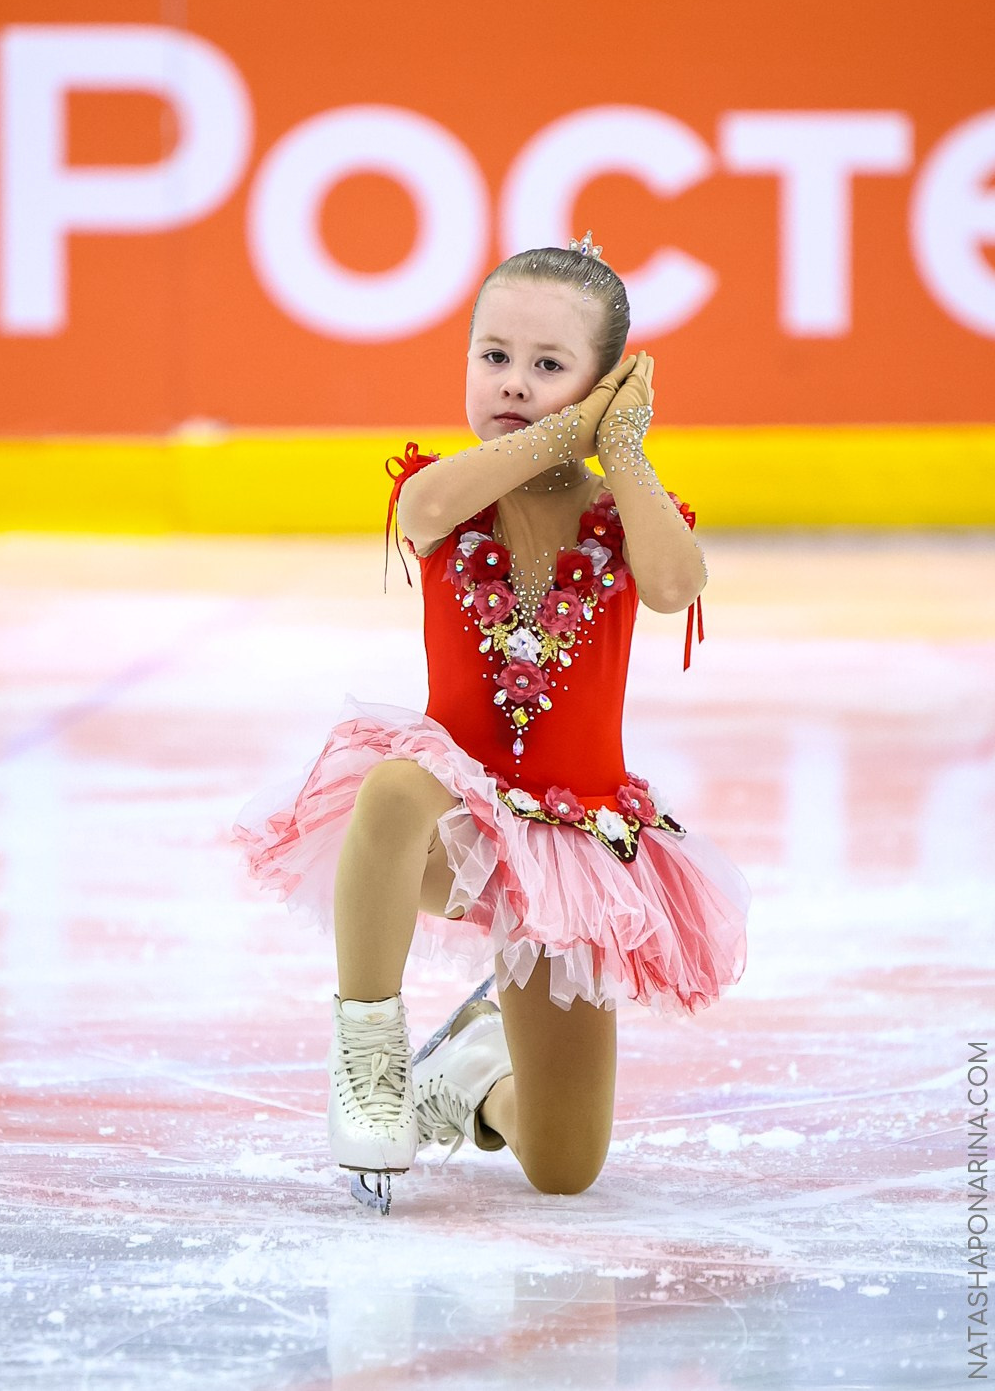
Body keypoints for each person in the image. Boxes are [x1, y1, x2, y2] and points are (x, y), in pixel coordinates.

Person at [233, 230, 751, 1215]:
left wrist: (619, 450)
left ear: (605, 386)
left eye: (550, 366)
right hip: (448, 816)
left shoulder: (619, 514)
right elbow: (422, 508)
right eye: (495, 355)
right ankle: (371, 1061)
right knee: (395, 785)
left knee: (564, 1166)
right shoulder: (447, 493)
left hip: (571, 848)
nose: (514, 380)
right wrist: (567, 426)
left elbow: (675, 584)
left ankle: (470, 1074)